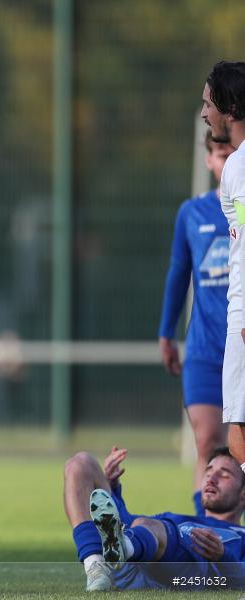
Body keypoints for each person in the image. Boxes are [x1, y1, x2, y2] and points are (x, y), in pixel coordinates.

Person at [159, 131, 234, 514]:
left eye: (234, 152)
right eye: (221, 154)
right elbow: (178, 273)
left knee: (237, 453)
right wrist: (165, 333)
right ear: (208, 160)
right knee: (206, 442)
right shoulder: (192, 213)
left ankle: (228, 540)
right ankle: (203, 532)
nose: (227, 161)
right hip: (205, 349)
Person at [64, 446, 245, 591]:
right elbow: (128, 523)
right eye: (208, 471)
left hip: (186, 576)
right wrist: (112, 489)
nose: (210, 478)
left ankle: (120, 550)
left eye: (224, 474)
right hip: (136, 562)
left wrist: (223, 556)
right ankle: (96, 568)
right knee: (80, 464)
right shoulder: (174, 519)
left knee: (149, 526)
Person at [201, 61, 245, 473]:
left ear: (230, 108)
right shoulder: (233, 167)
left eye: (208, 103)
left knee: (240, 426)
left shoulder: (241, 165)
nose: (203, 113)